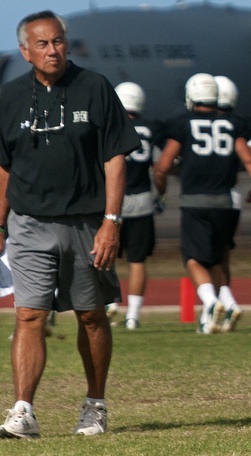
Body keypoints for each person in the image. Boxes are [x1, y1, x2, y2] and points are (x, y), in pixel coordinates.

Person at [0, 10, 141, 439]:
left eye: (58, 42)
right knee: (29, 315)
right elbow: (4, 167)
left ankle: (95, 405)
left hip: (87, 222)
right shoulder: (12, 96)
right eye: (42, 44)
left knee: (90, 315)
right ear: (25, 51)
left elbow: (115, 158)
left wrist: (111, 221)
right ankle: (23, 411)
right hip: (30, 223)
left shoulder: (94, 88)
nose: (52, 50)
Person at [154, 73, 251, 335]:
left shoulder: (182, 124)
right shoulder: (232, 124)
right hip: (227, 202)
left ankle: (210, 302)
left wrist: (161, 194)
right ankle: (227, 302)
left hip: (196, 200)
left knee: (193, 258)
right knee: (219, 259)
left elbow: (162, 167)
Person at [214, 75, 251, 332]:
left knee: (199, 258)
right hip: (232, 197)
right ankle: (224, 305)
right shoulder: (241, 124)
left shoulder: (191, 122)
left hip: (200, 196)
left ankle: (217, 306)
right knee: (223, 258)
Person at [107, 82, 165, 330]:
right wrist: (160, 195)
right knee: (137, 261)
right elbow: (160, 166)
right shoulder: (151, 130)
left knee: (104, 257)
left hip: (113, 203)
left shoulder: (110, 125)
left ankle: (108, 305)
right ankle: (133, 316)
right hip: (142, 201)